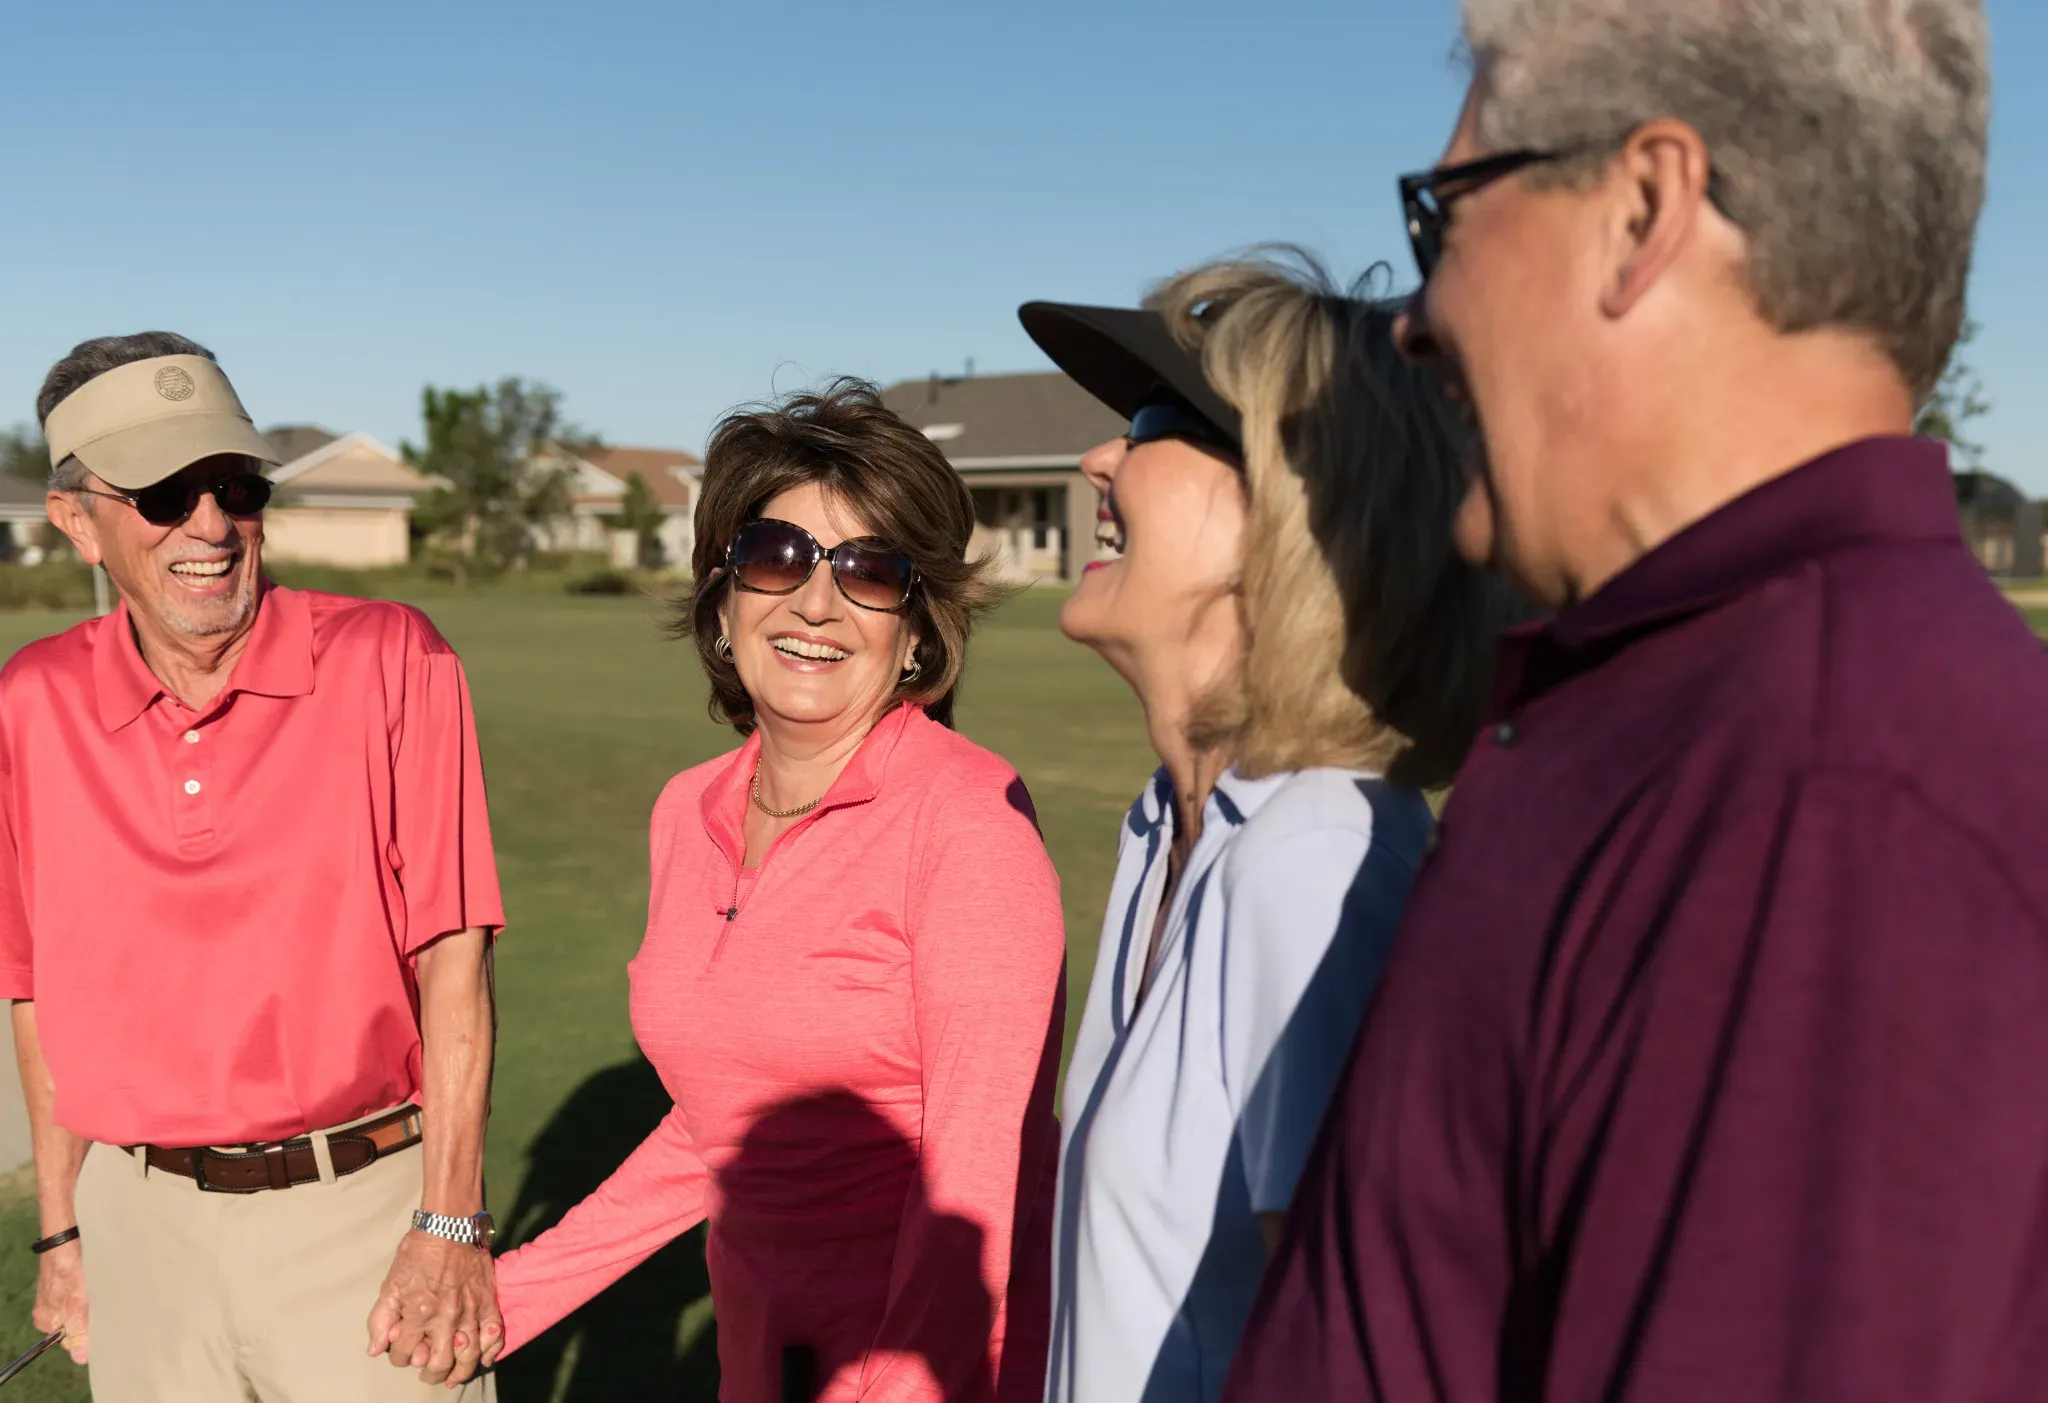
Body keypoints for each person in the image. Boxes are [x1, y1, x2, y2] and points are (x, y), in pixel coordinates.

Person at [1227, 4, 2048, 1402]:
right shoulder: (1690, 700)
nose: (1414, 321)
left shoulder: (1838, 801)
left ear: (1642, 213)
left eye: (1440, 217)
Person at [491, 379, 1066, 1403]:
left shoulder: (966, 823)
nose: (815, 602)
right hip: (765, 1358)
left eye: (869, 571)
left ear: (919, 630)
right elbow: (717, 1126)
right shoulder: (688, 810)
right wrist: (507, 1297)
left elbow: (982, 1179)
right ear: (723, 597)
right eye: (776, 555)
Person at [1023, 258, 1508, 1403]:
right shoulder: (1168, 824)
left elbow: (1363, 1352)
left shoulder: (1313, 859)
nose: (1097, 459)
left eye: (1151, 425)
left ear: (1289, 515)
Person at [1, 332, 505, 1400]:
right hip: (136, 1226)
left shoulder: (392, 656)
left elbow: (455, 957)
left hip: (366, 1217)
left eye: (236, 485)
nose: (211, 525)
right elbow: (37, 989)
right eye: (163, 493)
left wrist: (451, 1220)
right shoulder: (30, 700)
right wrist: (63, 1231)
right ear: (76, 521)